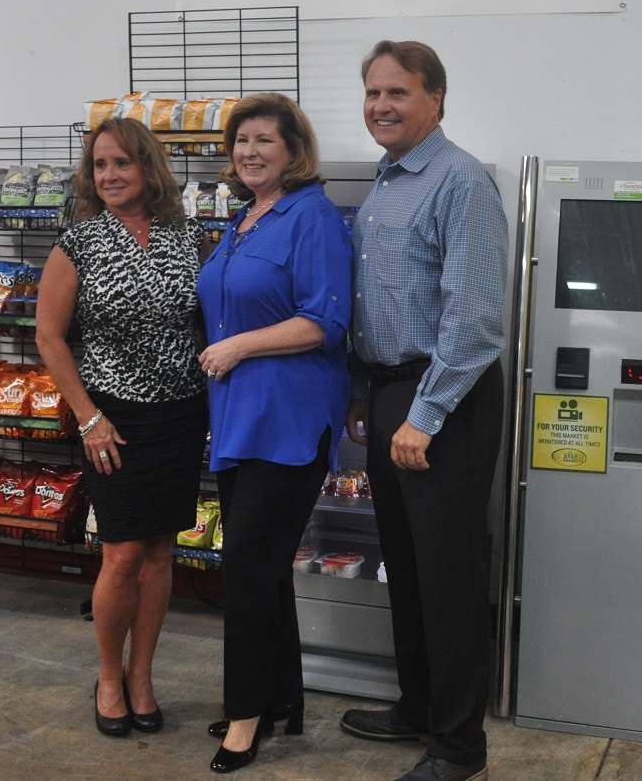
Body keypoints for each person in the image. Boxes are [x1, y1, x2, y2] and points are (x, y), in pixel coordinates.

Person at [341, 41, 508, 781]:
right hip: (388, 390)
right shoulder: (386, 181)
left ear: (436, 97)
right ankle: (417, 706)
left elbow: (473, 321)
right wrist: (363, 392)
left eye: (397, 92)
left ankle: (459, 743)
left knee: (450, 575)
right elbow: (377, 300)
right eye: (373, 92)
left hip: (445, 397)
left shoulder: (460, 180)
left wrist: (425, 413)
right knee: (405, 565)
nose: (381, 105)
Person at [36, 116, 210, 739]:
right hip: (113, 418)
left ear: (148, 169)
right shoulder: (77, 243)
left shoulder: (186, 237)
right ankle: (109, 676)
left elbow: (201, 323)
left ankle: (143, 675)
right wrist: (89, 418)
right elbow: (50, 339)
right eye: (99, 165)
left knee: (161, 553)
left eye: (122, 163)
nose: (108, 175)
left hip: (181, 412)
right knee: (122, 553)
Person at [196, 92, 353, 774]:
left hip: (288, 423)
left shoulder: (310, 217)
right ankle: (282, 695)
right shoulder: (243, 221)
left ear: (294, 149)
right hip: (238, 420)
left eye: (263, 139)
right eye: (240, 142)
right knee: (263, 570)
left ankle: (246, 715)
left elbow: (323, 321)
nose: (250, 152)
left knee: (249, 572)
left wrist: (238, 348)